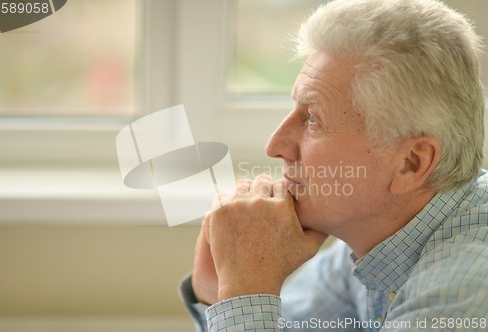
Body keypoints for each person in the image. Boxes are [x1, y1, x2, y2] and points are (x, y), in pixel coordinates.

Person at [179, 0, 488, 330]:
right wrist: (219, 290)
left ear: (410, 163)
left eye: (312, 118)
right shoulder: (369, 238)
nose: (275, 146)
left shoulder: (468, 284)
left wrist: (245, 291)